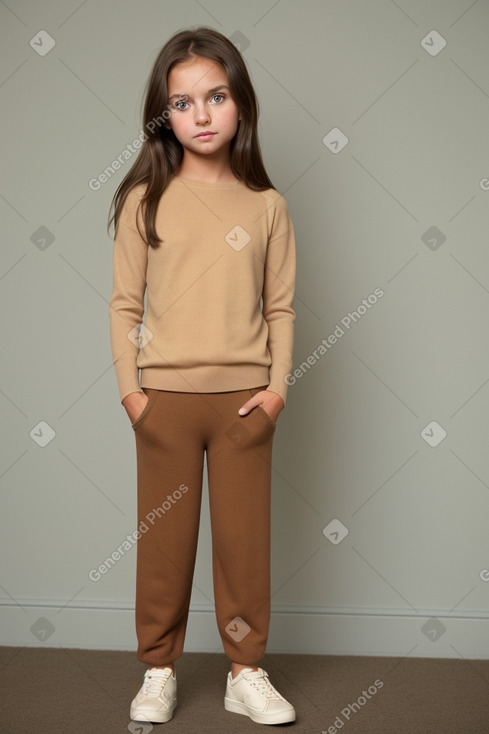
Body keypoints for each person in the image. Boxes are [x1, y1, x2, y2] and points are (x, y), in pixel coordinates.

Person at [108, 26, 297, 726]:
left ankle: (245, 673)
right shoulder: (143, 200)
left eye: (216, 96)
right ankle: (157, 670)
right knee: (164, 544)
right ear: (165, 116)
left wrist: (277, 389)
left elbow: (279, 306)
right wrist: (133, 393)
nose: (203, 114)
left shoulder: (266, 205)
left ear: (239, 103)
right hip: (163, 403)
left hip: (246, 404)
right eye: (183, 103)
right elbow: (125, 304)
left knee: (243, 546)